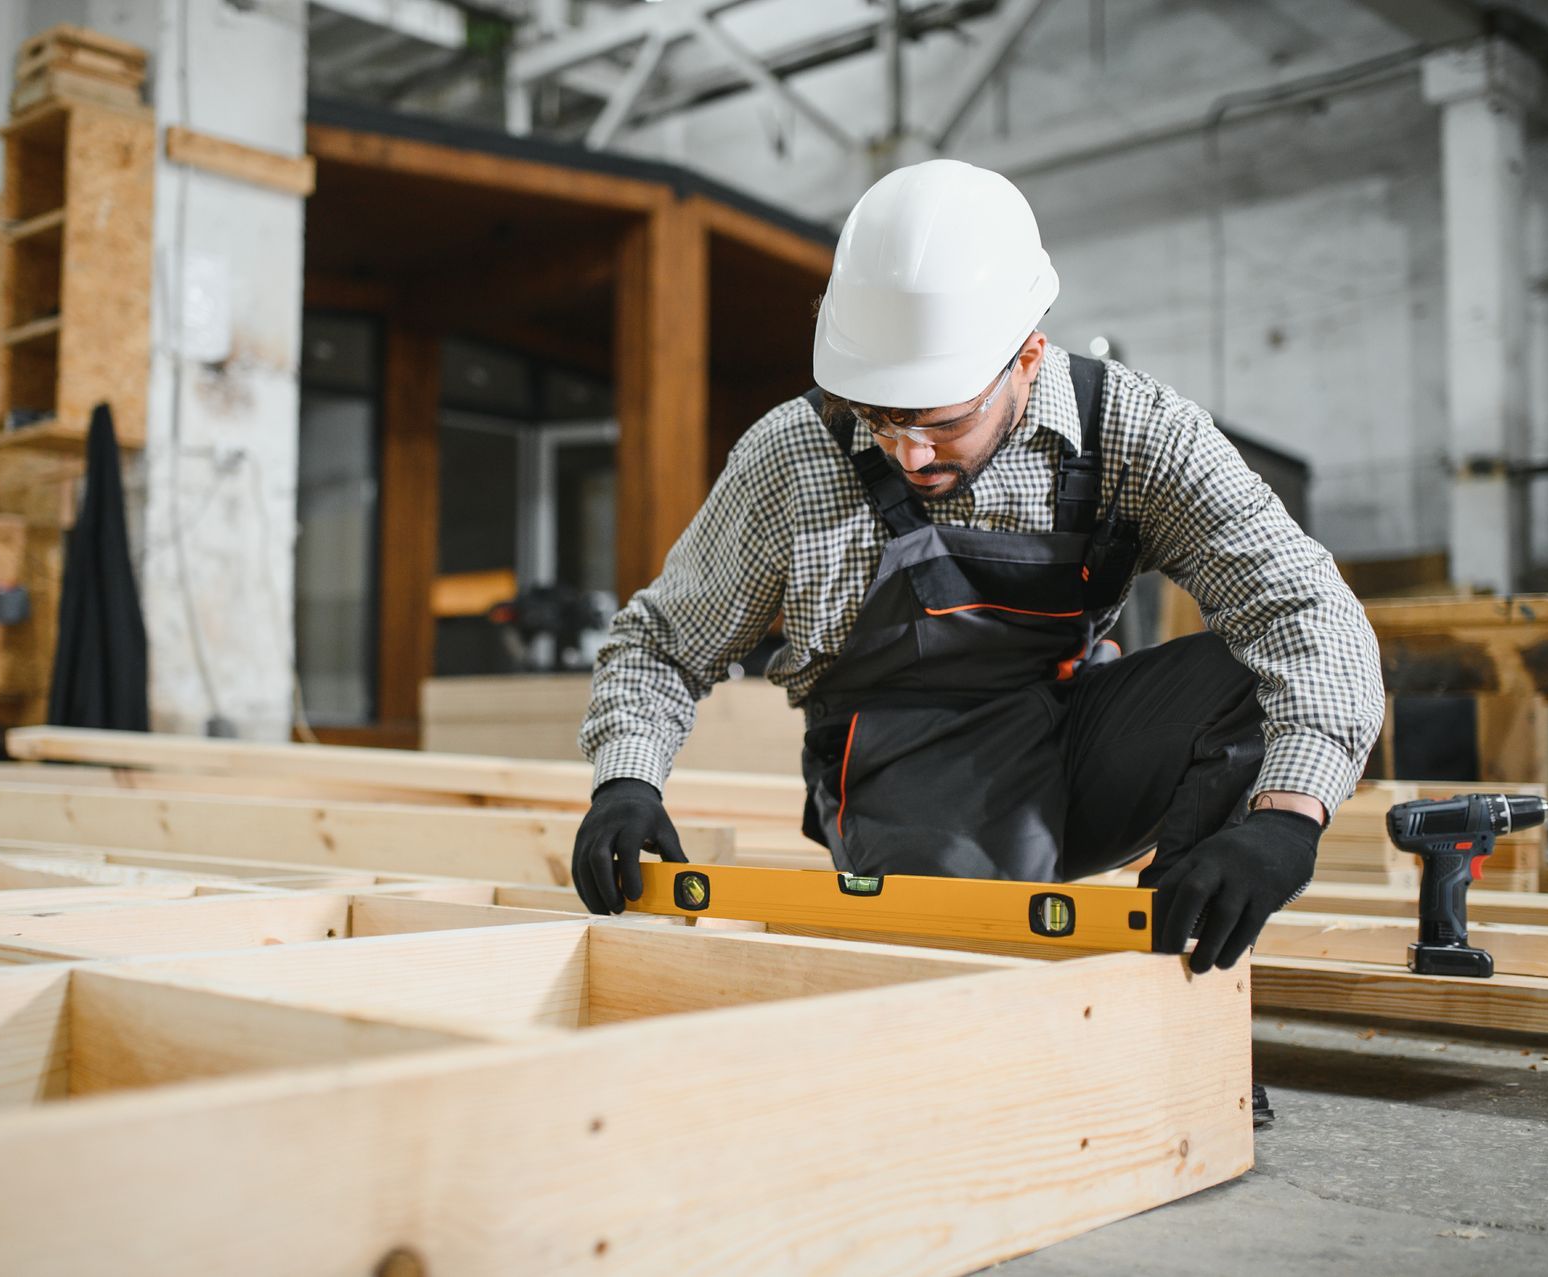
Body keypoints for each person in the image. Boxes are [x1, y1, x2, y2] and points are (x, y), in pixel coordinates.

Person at [570, 159, 1384, 978]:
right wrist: (625, 784)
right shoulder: (793, 454)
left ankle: (1176, 974)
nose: (909, 453)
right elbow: (662, 644)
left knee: (1253, 672)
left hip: (1075, 728)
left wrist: (1286, 819)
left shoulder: (1137, 432)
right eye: (881, 419)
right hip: (901, 763)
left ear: (1027, 358)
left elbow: (1305, 608)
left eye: (943, 421)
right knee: (973, 974)